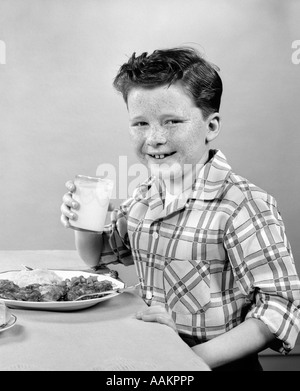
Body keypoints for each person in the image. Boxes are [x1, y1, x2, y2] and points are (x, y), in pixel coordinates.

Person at [60, 47, 300, 371]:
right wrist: (83, 220)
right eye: (140, 123)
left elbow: (280, 307)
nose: (155, 137)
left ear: (211, 126)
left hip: (215, 363)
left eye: (172, 121)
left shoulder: (243, 205)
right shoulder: (144, 198)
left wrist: (189, 361)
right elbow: (97, 255)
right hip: (156, 358)